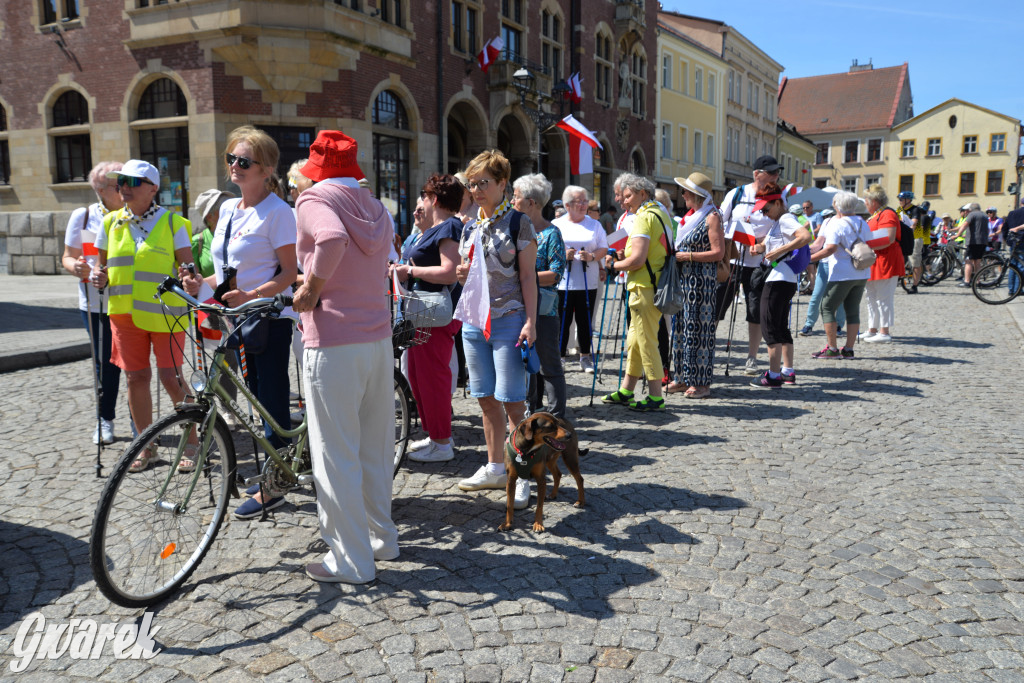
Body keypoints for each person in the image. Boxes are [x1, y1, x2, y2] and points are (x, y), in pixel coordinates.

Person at [291, 130, 398, 584]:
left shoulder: (315, 199)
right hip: (377, 340)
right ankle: (382, 540)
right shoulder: (375, 206)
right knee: (374, 448)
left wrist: (310, 290)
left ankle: (352, 561)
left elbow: (331, 240)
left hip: (333, 340)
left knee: (335, 455)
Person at [192, 126, 299, 519]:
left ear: (267, 168)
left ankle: (277, 485)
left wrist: (253, 296)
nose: (234, 167)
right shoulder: (227, 212)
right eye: (230, 159)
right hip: (234, 317)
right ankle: (277, 467)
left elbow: (290, 272)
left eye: (244, 161)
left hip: (268, 318)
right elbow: (225, 273)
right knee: (252, 398)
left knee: (269, 401)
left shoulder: (279, 212)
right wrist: (198, 283)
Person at [90, 159, 195, 472]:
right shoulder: (110, 223)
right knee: (136, 378)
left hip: (166, 315)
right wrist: (98, 275)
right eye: (121, 182)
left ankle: (192, 441)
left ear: (153, 188)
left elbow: (189, 270)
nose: (124, 188)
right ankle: (146, 446)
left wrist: (190, 279)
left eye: (132, 182)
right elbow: (102, 267)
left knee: (171, 378)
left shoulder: (174, 223)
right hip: (124, 316)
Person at [455, 150, 538, 511]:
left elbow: (527, 278)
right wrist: (460, 273)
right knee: (485, 398)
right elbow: (465, 269)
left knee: (513, 403)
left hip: (509, 320)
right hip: (474, 322)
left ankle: (522, 473)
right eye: (472, 184)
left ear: (503, 183)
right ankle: (494, 467)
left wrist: (531, 321)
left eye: (483, 183)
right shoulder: (471, 225)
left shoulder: (519, 224)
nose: (476, 190)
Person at [392, 174, 464, 463]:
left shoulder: (449, 226)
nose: (420, 200)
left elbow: (449, 271)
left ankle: (443, 442)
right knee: (420, 380)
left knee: (432, 379)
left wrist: (409, 272)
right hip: (423, 312)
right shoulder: (435, 228)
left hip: (436, 315)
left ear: (434, 198)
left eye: (424, 194)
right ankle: (435, 436)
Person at [61, 161, 124, 445]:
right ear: (100, 189)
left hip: (128, 302)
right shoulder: (84, 216)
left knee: (135, 367)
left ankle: (141, 425)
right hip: (95, 305)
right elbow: (68, 256)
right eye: (116, 184)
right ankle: (105, 419)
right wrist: (76, 267)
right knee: (105, 365)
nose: (124, 188)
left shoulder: (133, 214)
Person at [602, 173, 670, 411]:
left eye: (628, 195)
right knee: (634, 341)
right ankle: (627, 390)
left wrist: (613, 265)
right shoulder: (660, 212)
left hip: (644, 287)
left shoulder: (643, 217)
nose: (623, 201)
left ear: (643, 193)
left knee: (647, 341)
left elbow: (637, 260)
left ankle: (655, 396)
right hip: (652, 284)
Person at [717, 155, 784, 376]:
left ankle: (752, 358)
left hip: (759, 263)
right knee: (717, 305)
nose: (776, 176)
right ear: (757, 174)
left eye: (777, 173)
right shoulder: (736, 194)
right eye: (772, 172)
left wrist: (763, 244)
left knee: (755, 311)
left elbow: (781, 227)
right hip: (733, 260)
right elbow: (719, 221)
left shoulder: (778, 196)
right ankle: (706, 350)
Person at [746, 183, 813, 387]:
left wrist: (779, 250)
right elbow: (766, 244)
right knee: (781, 326)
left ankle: (774, 375)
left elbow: (805, 236)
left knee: (770, 326)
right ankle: (787, 371)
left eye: (766, 209)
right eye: (761, 211)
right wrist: (758, 247)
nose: (765, 214)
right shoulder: (777, 222)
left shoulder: (785, 219)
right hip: (783, 278)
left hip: (779, 278)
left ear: (778, 203)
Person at [513, 173, 567, 418]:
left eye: (516, 197)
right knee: (527, 365)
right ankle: (531, 413)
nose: (512, 202)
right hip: (517, 307)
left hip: (544, 311)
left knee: (549, 365)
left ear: (531, 203)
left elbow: (556, 273)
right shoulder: (517, 231)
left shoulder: (551, 234)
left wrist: (526, 276)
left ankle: (556, 419)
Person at [666, 172, 724, 398]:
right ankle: (681, 377)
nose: (683, 195)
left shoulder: (712, 216)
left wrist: (687, 256)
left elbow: (718, 253)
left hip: (702, 284)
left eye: (686, 192)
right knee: (680, 330)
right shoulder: (690, 216)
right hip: (684, 281)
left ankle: (701, 383)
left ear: (697, 196)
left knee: (699, 332)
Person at [809, 191, 872, 359]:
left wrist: (809, 259)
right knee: (852, 310)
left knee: (827, 307)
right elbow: (869, 243)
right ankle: (849, 349)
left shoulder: (837, 224)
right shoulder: (862, 222)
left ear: (836, 205)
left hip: (842, 272)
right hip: (862, 270)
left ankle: (832, 348)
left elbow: (830, 249)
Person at [554, 185, 608, 373]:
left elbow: (603, 247)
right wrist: (563, 255)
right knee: (562, 321)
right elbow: (549, 251)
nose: (584, 204)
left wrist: (592, 257)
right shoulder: (557, 224)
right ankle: (559, 356)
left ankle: (585, 356)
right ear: (568, 205)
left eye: (586, 200)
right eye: (580, 201)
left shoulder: (594, 224)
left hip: (588, 281)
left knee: (585, 321)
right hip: (563, 283)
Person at [862, 185, 902, 343]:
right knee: (870, 296)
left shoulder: (887, 214)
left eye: (866, 199)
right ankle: (872, 329)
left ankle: (884, 331)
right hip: (875, 260)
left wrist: (866, 245)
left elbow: (889, 238)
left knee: (883, 297)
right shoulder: (876, 215)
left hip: (886, 260)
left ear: (873, 201)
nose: (865, 202)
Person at [954, 203, 989, 287]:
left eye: (966, 210)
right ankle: (977, 282)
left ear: (970, 209)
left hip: (973, 241)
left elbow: (965, 225)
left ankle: (967, 281)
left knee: (968, 261)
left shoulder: (972, 214)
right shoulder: (984, 216)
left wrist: (957, 235)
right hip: (983, 241)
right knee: (978, 262)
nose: (966, 212)